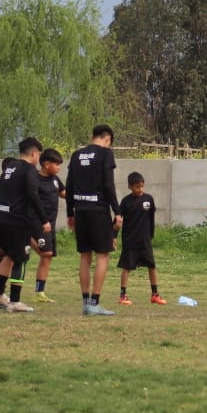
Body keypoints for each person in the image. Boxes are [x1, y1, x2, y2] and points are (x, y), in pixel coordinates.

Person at [0, 137, 52, 313]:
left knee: (8, 256)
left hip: (0, 217)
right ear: (33, 153)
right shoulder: (29, 169)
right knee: (21, 258)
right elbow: (33, 194)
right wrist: (44, 220)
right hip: (16, 220)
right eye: (38, 154)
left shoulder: (10, 167)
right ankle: (15, 301)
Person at [66, 124, 122, 317]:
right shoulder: (106, 154)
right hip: (98, 210)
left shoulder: (76, 155)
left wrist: (69, 214)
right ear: (107, 139)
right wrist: (117, 210)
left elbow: (70, 185)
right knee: (102, 255)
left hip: (80, 210)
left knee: (85, 256)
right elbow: (108, 183)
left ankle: (85, 302)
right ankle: (95, 302)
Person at [117, 172, 165, 306]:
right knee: (127, 268)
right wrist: (114, 236)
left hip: (145, 241)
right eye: (137, 187)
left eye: (142, 186)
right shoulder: (126, 202)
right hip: (130, 241)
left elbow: (151, 219)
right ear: (130, 187)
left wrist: (150, 235)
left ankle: (155, 294)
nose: (140, 189)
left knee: (152, 266)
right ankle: (123, 295)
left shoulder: (149, 199)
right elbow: (118, 220)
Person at [33, 148, 65, 303]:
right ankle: (26, 238)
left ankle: (40, 293)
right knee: (45, 254)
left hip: (50, 225)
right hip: (38, 223)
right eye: (57, 164)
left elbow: (64, 193)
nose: (59, 167)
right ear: (46, 164)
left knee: (48, 256)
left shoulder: (55, 179)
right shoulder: (34, 179)